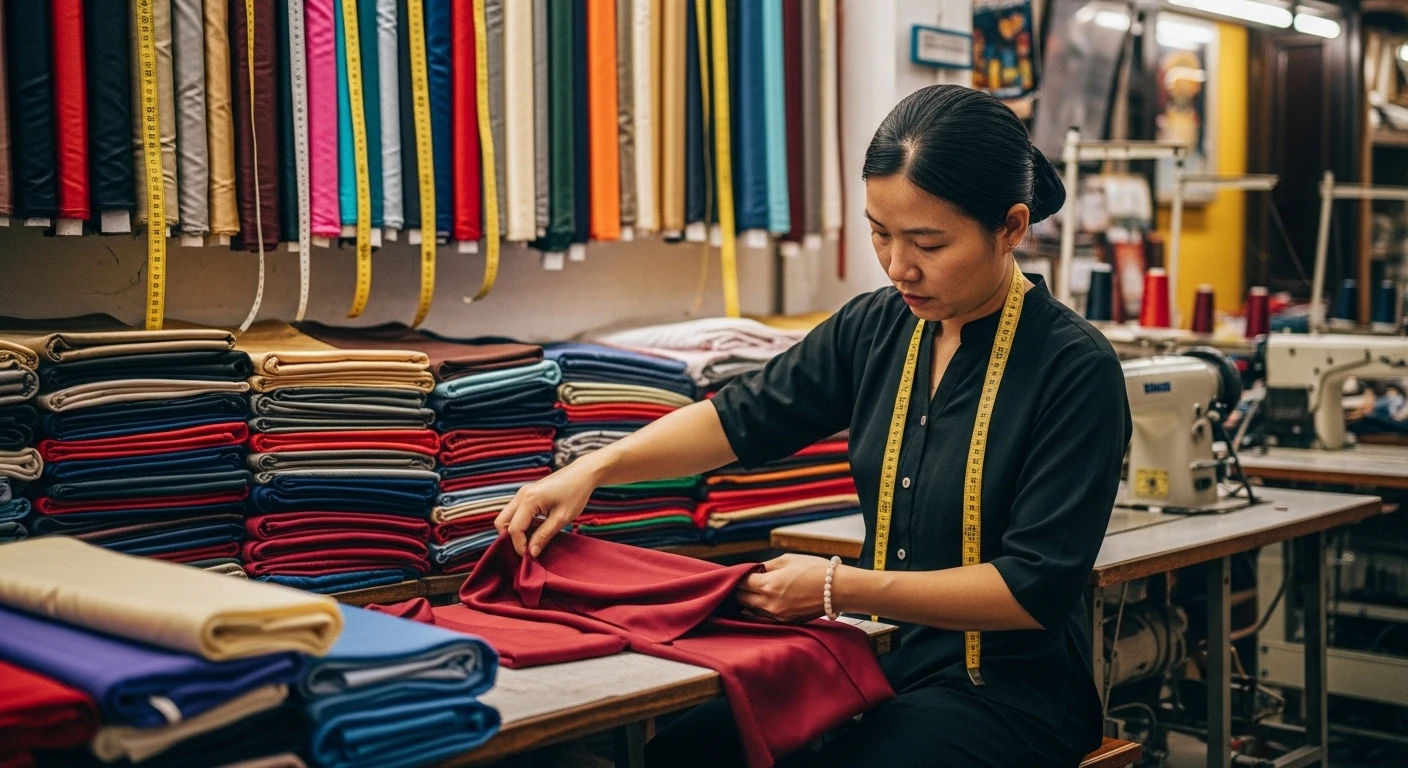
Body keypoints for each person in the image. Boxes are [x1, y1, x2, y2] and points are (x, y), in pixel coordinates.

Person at [495, 84, 1132, 768]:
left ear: (1011, 227)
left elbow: (1033, 589)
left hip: (1010, 695)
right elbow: (741, 419)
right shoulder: (877, 326)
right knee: (687, 750)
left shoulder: (1073, 367)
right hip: (884, 660)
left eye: (927, 242)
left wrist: (837, 586)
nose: (897, 266)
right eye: (880, 233)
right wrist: (590, 469)